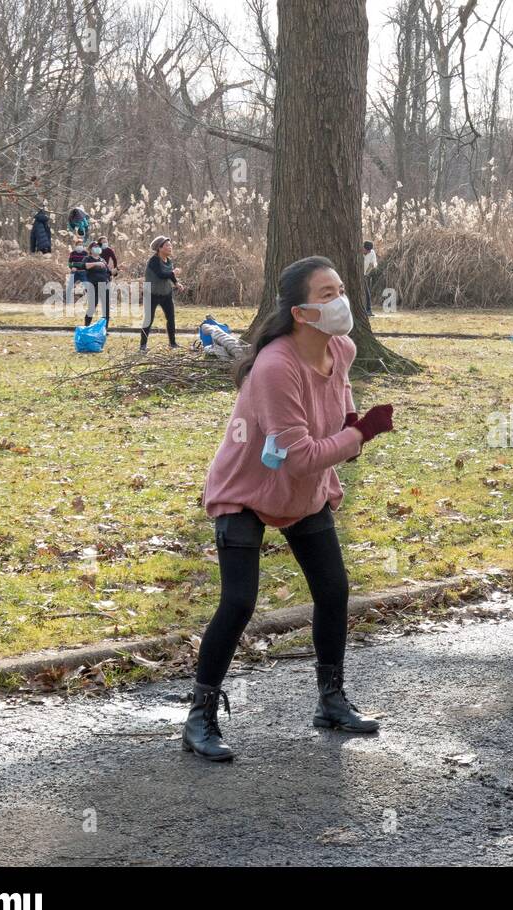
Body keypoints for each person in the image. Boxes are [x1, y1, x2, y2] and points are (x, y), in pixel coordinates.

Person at [186, 255, 395, 760]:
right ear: (301, 312)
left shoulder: (340, 348)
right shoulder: (276, 367)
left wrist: (351, 428)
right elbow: (299, 456)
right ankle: (200, 717)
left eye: (340, 288)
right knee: (238, 602)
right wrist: (361, 434)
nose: (340, 300)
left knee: (333, 589)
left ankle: (331, 701)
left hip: (302, 493)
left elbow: (338, 411)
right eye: (327, 294)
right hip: (246, 490)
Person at [142, 236, 183, 351]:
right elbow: (161, 274)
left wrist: (176, 283)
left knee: (171, 318)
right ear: (160, 248)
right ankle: (142, 345)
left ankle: (173, 343)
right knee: (148, 319)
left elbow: (170, 275)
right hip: (151, 294)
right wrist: (173, 273)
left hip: (166, 293)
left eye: (171, 245)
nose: (170, 247)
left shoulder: (169, 261)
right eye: (167, 246)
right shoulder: (154, 260)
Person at [82, 241, 112, 325]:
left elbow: (109, 273)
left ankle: (105, 329)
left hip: (104, 285)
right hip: (92, 285)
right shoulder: (87, 258)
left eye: (98, 246)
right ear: (90, 249)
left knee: (106, 308)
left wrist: (118, 268)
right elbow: (84, 266)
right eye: (95, 246)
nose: (97, 248)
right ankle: (87, 327)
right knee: (92, 307)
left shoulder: (102, 260)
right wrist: (96, 263)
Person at [91, 236, 119, 324]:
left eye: (106, 241)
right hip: (95, 277)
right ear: (99, 243)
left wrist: (115, 270)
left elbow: (114, 259)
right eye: (103, 242)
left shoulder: (109, 250)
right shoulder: (96, 251)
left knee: (106, 302)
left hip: (105, 273)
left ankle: (105, 326)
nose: (105, 243)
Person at [67, 238, 90, 320]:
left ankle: (88, 301)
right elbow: (69, 263)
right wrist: (72, 267)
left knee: (87, 287)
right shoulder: (72, 253)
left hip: (83, 272)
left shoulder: (86, 253)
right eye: (78, 245)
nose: (80, 246)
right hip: (75, 272)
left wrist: (82, 267)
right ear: (75, 246)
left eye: (81, 245)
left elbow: (87, 263)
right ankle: (68, 302)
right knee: (70, 286)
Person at [362, 239, 377, 317]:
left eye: (369, 250)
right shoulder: (357, 251)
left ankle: (368, 310)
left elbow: (372, 264)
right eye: (366, 250)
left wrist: (366, 274)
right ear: (363, 247)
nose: (368, 252)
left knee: (367, 293)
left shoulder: (372, 253)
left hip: (363, 275)